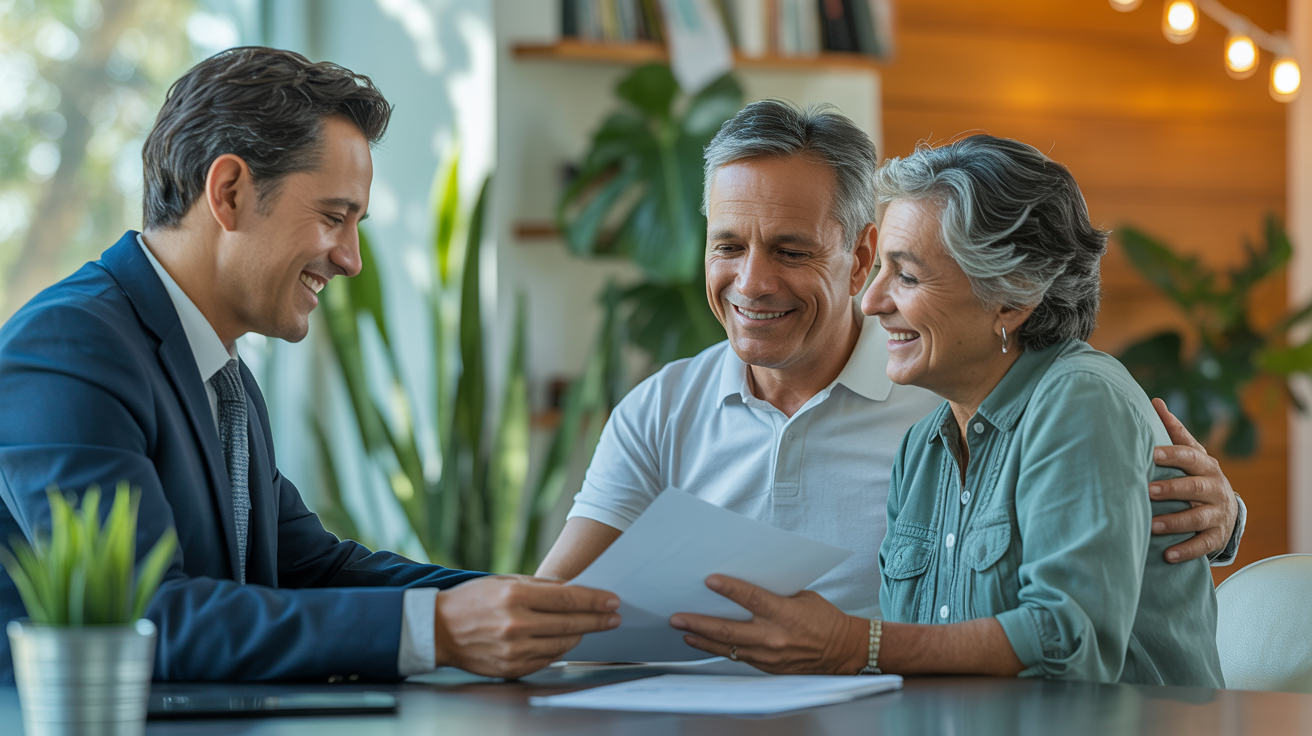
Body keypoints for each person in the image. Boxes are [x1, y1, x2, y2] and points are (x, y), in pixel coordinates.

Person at [0, 47, 620, 684]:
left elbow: (317, 569)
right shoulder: (67, 347)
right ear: (230, 192)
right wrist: (439, 629)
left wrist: (544, 606)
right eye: (333, 217)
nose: (351, 259)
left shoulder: (222, 375)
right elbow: (138, 619)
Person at [537, 100, 1243, 619]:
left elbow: (1100, 490)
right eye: (727, 246)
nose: (750, 283)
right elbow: (553, 595)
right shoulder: (662, 407)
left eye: (790, 251)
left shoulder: (948, 377)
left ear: (860, 257)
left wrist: (1222, 513)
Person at [669, 134, 1224, 687]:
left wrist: (852, 644)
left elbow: (1067, 643)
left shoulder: (1081, 397)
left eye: (907, 276)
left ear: (1011, 297)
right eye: (880, 268)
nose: (871, 301)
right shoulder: (922, 447)